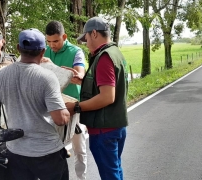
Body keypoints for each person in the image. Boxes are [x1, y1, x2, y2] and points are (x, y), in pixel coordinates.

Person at [0, 28, 71, 180]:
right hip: (47, 153)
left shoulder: (1, 75)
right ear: (43, 51)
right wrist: (68, 110)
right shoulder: (47, 77)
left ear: (18, 48)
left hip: (16, 153)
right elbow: (60, 119)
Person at [65, 17, 129, 180]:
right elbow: (106, 85)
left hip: (104, 129)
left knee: (110, 175)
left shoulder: (104, 57)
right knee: (115, 169)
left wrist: (76, 107)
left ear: (94, 33)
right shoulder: (115, 52)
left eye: (85, 38)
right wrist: (82, 79)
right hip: (116, 125)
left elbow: (107, 96)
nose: (85, 42)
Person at [44, 20, 88, 180]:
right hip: (51, 108)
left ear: (64, 36)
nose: (52, 45)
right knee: (52, 149)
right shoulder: (44, 51)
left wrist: (52, 66)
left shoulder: (76, 51)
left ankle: (81, 178)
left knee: (79, 148)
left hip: (73, 107)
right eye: (48, 42)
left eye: (55, 41)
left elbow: (79, 77)